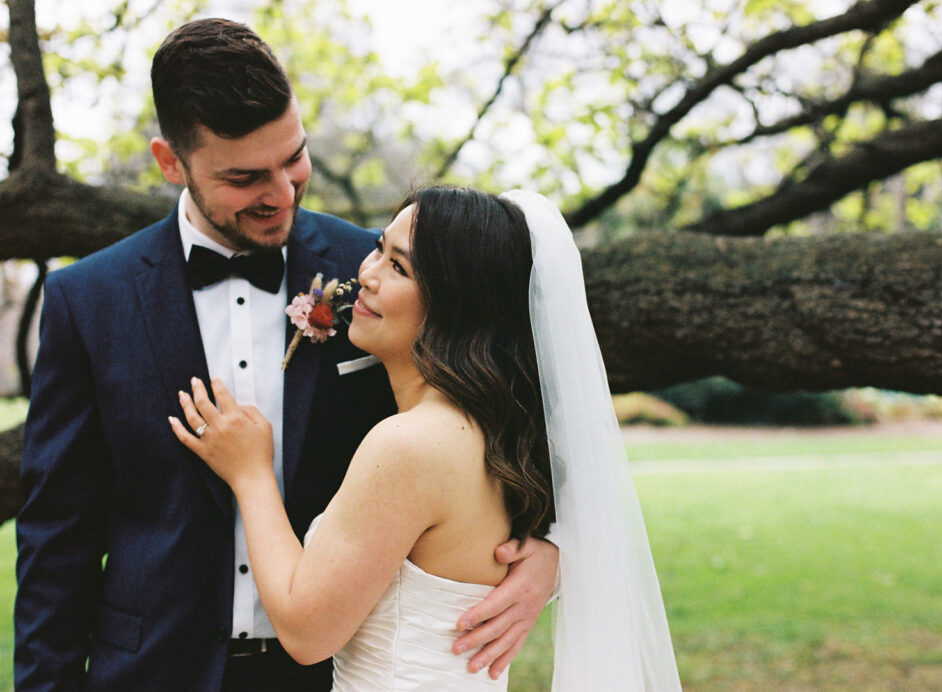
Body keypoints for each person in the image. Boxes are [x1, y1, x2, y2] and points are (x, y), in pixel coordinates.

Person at [14, 19, 557, 692]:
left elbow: (513, 417)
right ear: (170, 162)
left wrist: (548, 555)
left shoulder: (382, 278)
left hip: (329, 672)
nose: (282, 193)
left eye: (292, 158)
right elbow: (56, 540)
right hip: (152, 672)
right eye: (245, 177)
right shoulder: (86, 300)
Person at [170, 186, 682, 691]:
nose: (364, 275)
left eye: (399, 267)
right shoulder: (497, 430)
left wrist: (251, 472)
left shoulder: (411, 445)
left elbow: (307, 634)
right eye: (378, 249)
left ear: (456, 305)